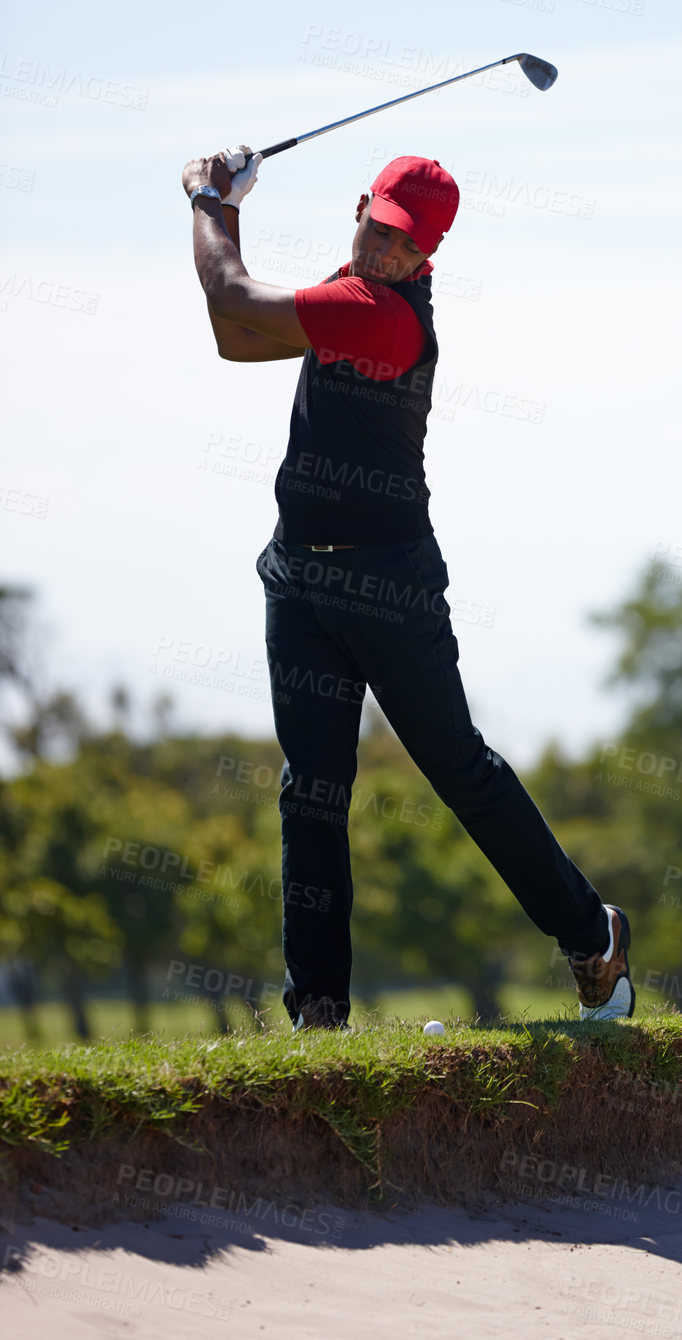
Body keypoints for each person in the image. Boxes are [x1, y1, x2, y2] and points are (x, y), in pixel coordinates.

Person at [180, 145, 634, 1029]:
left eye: (405, 246)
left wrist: (209, 199)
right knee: (311, 788)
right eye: (379, 231)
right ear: (362, 209)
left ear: (430, 257)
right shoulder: (341, 288)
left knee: (458, 769)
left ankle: (592, 932)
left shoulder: (383, 315)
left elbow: (232, 298)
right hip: (300, 575)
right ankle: (318, 1012)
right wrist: (227, 217)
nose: (386, 252)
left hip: (388, 586)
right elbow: (236, 339)